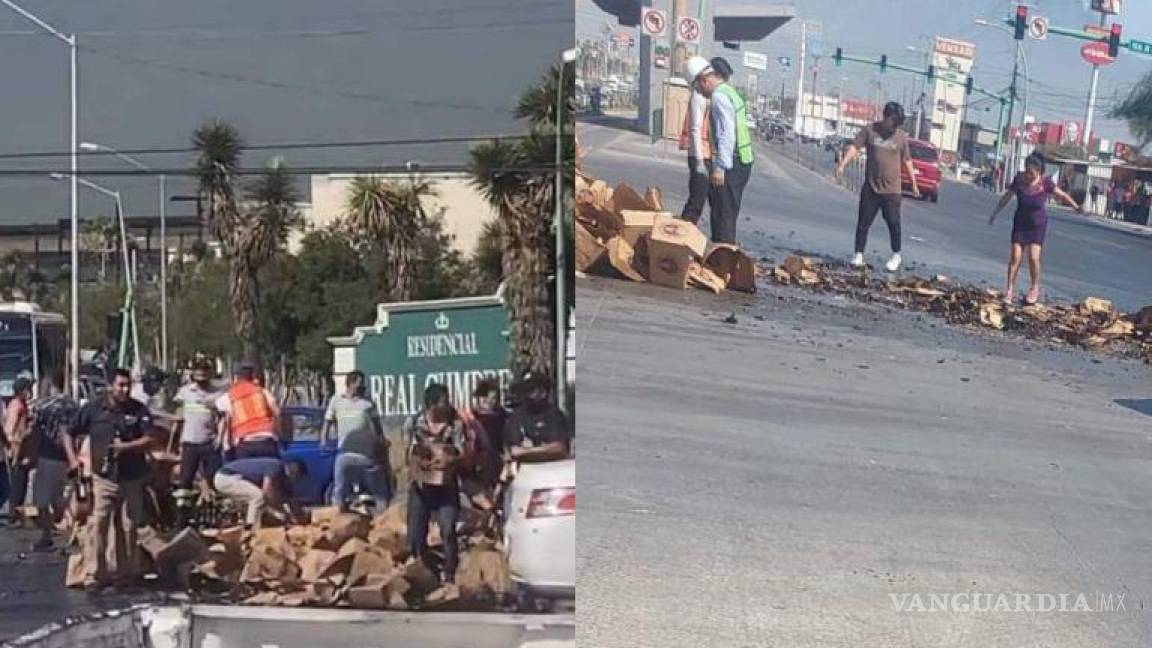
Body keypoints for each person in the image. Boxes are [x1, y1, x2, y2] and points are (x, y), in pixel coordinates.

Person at [64, 368, 158, 591]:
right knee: (99, 525)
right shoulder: (95, 408)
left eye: (128, 386)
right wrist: (73, 461)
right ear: (110, 386)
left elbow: (151, 437)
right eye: (120, 385)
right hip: (103, 477)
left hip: (131, 476)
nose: (125, 390)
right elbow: (68, 432)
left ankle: (125, 576)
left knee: (127, 527)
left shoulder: (138, 410)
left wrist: (127, 447)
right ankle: (97, 574)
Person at [989, 153, 1081, 305]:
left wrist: (1077, 207)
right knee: (1015, 256)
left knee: (1033, 257)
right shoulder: (1019, 180)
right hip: (1020, 224)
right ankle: (1009, 290)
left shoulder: (1046, 183)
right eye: (1027, 171)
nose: (1029, 176)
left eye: (1032, 173)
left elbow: (1062, 195)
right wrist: (996, 213)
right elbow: (1007, 196)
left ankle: (1034, 288)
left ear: (1039, 172)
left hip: (1037, 226)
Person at [835, 102, 918, 272]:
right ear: (885, 117)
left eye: (898, 123)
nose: (894, 126)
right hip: (871, 187)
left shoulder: (901, 137)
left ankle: (896, 255)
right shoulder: (870, 130)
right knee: (863, 222)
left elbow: (907, 160)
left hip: (892, 190)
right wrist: (843, 165)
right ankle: (858, 254)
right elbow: (855, 148)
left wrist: (914, 184)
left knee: (894, 223)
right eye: (893, 122)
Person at [684, 55, 754, 244]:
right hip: (742, 159)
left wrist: (720, 167)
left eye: (698, 87)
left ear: (704, 80)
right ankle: (721, 257)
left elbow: (726, 134)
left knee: (724, 217)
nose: (700, 92)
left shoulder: (719, 97)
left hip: (733, 162)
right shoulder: (729, 91)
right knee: (723, 213)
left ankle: (723, 263)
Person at [402, 383, 466, 588]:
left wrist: (449, 460)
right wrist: (419, 462)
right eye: (442, 402)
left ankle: (449, 574)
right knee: (415, 534)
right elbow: (407, 451)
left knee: (448, 530)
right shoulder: (413, 422)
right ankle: (423, 575)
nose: (447, 406)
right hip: (421, 486)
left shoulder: (456, 423)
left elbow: (461, 450)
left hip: (446, 486)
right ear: (431, 405)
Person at [322, 370, 391, 511]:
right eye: (358, 384)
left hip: (366, 450)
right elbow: (327, 421)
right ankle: (339, 513)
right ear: (350, 383)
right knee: (340, 487)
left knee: (378, 488)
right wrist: (324, 439)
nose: (361, 387)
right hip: (344, 449)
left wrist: (382, 440)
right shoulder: (336, 401)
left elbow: (377, 425)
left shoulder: (367, 403)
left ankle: (382, 515)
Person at [29, 370, 78, 551]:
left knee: (41, 501)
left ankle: (47, 536)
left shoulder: (44, 406)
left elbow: (34, 432)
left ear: (49, 385)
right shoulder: (73, 405)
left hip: (47, 457)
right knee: (59, 499)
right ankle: (70, 534)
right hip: (67, 458)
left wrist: (30, 456)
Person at [213, 456, 304, 529]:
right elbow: (266, 490)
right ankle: (251, 530)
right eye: (298, 477)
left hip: (231, 477)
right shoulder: (276, 466)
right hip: (226, 477)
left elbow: (291, 500)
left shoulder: (284, 479)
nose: (297, 480)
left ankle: (252, 525)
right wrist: (280, 510)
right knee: (258, 497)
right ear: (295, 471)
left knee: (260, 502)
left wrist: (297, 517)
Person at [173, 360, 223, 491]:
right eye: (199, 376)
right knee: (185, 481)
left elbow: (224, 418)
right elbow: (178, 417)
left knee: (215, 480)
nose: (202, 380)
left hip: (209, 443)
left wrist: (220, 437)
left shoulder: (218, 394)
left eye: (204, 376)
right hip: (190, 443)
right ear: (194, 375)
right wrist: (176, 442)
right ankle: (184, 509)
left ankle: (213, 508)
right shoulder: (185, 392)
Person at [216, 364, 280, 460]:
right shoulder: (262, 392)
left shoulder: (229, 396)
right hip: (267, 440)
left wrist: (226, 445)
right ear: (252, 377)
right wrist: (279, 434)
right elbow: (277, 412)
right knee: (270, 470)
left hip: (245, 443)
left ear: (236, 378)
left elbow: (225, 420)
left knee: (246, 472)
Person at [504, 374, 572, 465]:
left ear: (543, 392)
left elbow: (559, 448)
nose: (528, 395)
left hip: (554, 469)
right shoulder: (517, 416)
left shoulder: (554, 415)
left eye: (532, 390)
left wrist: (529, 450)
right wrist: (544, 448)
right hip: (525, 470)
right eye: (527, 390)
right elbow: (514, 451)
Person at [678, 56, 712, 225]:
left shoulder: (705, 94)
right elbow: (696, 129)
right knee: (696, 201)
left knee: (699, 199)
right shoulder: (699, 96)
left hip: (705, 154)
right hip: (700, 155)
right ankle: (681, 234)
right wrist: (699, 162)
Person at [460, 380, 507, 490]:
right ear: (478, 398)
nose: (489, 402)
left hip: (498, 464)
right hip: (475, 467)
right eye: (485, 398)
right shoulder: (469, 419)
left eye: (493, 398)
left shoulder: (503, 417)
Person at [5, 377, 34, 526]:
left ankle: (17, 515)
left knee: (21, 484)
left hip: (23, 451)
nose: (30, 392)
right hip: (18, 451)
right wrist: (16, 448)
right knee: (17, 485)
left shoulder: (23, 405)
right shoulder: (16, 406)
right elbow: (10, 430)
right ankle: (13, 517)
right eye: (28, 389)